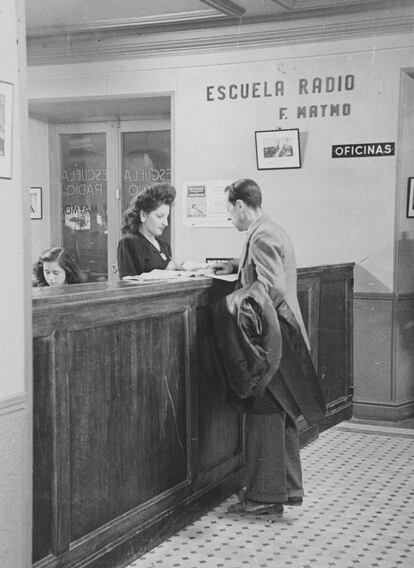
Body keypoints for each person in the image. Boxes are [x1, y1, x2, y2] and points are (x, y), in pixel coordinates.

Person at [213, 178, 325, 517]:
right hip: (283, 339)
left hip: (271, 342)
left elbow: (269, 291)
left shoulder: (261, 235)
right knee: (283, 415)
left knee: (265, 415)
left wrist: (233, 300)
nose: (229, 218)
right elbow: (262, 272)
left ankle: (264, 499)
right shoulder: (267, 230)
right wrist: (236, 268)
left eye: (229, 210)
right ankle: (286, 489)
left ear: (241, 206)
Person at [117, 183, 179, 278]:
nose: (165, 223)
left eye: (167, 217)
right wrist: (165, 272)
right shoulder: (129, 242)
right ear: (143, 215)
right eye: (159, 216)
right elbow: (128, 282)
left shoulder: (165, 246)